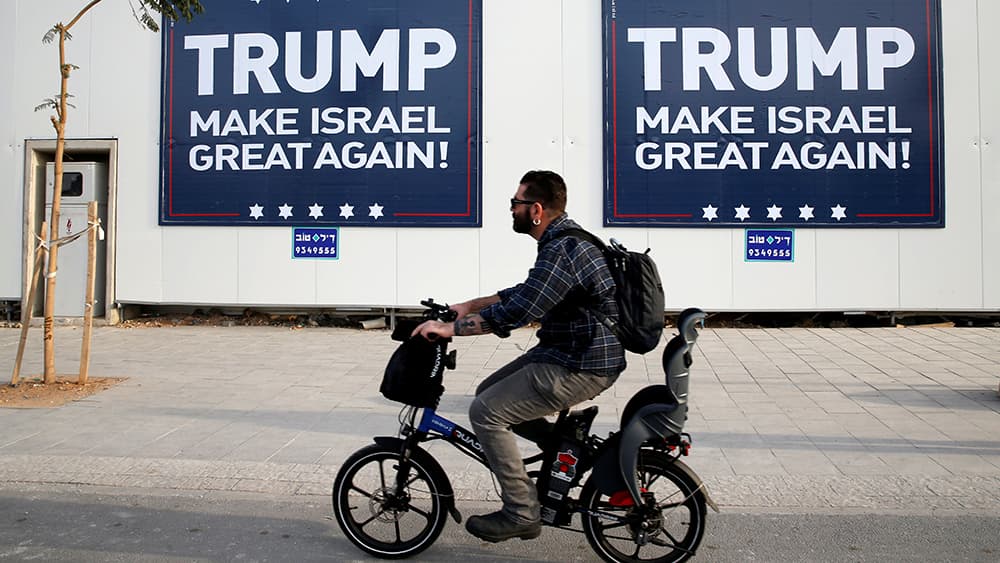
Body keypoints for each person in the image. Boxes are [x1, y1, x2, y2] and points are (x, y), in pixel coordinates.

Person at [412, 170, 626, 543]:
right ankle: (563, 444)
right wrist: (467, 306)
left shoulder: (563, 249)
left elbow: (521, 310)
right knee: (487, 390)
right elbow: (526, 290)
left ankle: (522, 512)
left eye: (516, 203)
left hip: (580, 364)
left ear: (537, 209)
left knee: (486, 412)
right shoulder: (562, 241)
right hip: (569, 353)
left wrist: (450, 330)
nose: (511, 209)